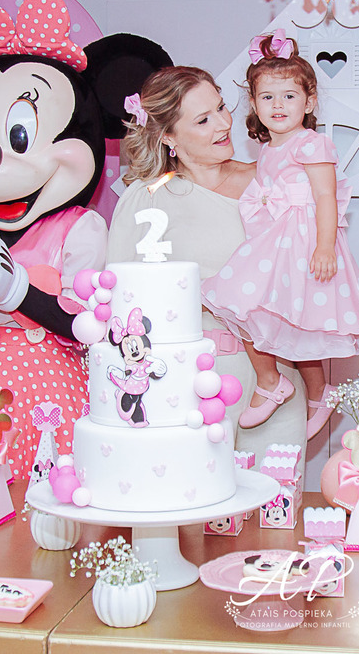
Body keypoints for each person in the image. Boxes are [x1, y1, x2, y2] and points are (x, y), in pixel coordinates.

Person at [107, 65, 308, 455]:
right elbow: (122, 305)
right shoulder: (147, 199)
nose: (223, 124)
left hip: (276, 384)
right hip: (188, 389)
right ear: (168, 136)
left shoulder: (272, 180)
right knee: (194, 494)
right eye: (203, 120)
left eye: (221, 107)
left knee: (277, 495)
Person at [202, 31, 359, 438]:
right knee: (261, 314)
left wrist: (325, 246)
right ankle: (295, 387)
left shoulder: (312, 143)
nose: (277, 105)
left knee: (283, 318)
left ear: (309, 102)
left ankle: (294, 388)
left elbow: (326, 196)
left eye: (289, 96)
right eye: (267, 97)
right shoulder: (268, 149)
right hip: (275, 243)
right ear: (254, 103)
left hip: (303, 244)